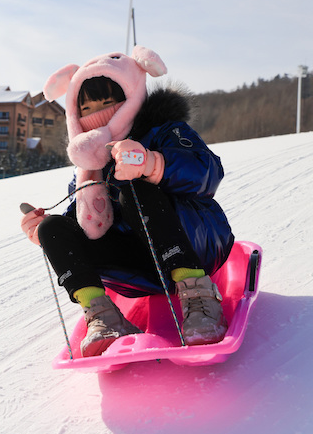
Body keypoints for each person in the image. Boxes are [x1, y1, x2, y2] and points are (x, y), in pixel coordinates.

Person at [20, 46, 234, 357]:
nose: (98, 113)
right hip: (137, 271)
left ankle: (199, 297)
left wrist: (152, 163)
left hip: (194, 246)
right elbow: (82, 217)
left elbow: (208, 172)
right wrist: (44, 232)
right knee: (55, 226)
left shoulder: (164, 130)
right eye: (87, 107)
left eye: (108, 101)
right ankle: (103, 316)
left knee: (134, 190)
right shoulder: (89, 164)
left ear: (131, 96)